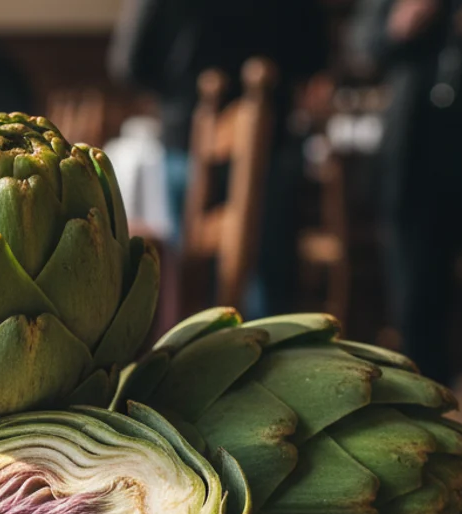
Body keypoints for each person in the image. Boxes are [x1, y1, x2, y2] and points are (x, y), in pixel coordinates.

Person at [351, 0, 462, 407]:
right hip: (417, 153)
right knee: (415, 296)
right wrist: (400, 23)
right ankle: (422, 417)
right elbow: (363, 42)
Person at [107, 0, 330, 316]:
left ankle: (208, 350)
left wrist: (178, 92)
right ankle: (265, 355)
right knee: (267, 275)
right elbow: (313, 54)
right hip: (273, 137)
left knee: (191, 279)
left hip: (184, 132)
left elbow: (129, 64)